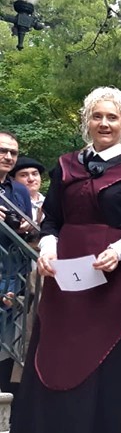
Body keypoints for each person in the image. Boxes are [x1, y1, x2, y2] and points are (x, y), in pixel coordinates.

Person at [4, 87, 121, 433]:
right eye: (97, 116)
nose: (104, 123)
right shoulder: (66, 166)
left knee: (105, 361)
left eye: (112, 117)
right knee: (58, 353)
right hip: (67, 275)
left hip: (114, 277)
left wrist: (120, 250)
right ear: (87, 121)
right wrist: (48, 249)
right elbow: (52, 219)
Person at [0, 132, 32, 393]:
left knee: (6, 341)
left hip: (12, 274)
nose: (8, 156)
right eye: (3, 150)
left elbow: (29, 232)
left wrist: (24, 227)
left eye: (13, 152)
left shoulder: (19, 189)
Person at [12, 156, 46, 224]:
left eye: (35, 174)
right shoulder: (11, 204)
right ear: (13, 179)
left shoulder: (50, 202)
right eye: (23, 175)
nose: (31, 179)